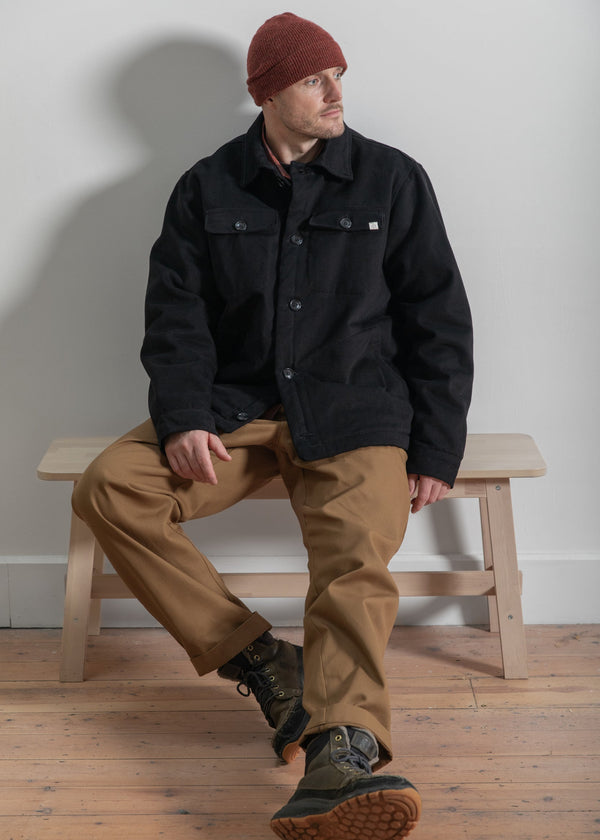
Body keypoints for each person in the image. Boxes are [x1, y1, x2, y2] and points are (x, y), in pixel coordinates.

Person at [72, 12, 473, 840]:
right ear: (267, 93)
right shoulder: (206, 186)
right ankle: (264, 662)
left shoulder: (392, 180)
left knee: (355, 555)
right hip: (240, 414)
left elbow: (439, 320)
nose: (336, 94)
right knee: (110, 486)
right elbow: (174, 317)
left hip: (357, 412)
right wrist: (182, 415)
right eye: (314, 80)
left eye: (338, 77)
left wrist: (437, 445)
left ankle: (342, 749)